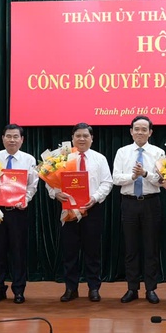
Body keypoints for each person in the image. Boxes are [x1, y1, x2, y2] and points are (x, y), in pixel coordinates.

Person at [46, 123, 113, 302]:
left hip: (92, 209)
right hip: (68, 209)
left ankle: (94, 288)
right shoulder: (62, 158)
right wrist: (55, 193)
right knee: (69, 251)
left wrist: (95, 198)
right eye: (78, 136)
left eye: (85, 136)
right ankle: (71, 288)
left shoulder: (100, 158)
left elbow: (107, 182)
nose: (82, 139)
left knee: (93, 251)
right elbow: (49, 181)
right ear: (72, 138)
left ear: (92, 138)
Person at [112, 115, 166, 304]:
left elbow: (162, 181)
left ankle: (151, 289)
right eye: (136, 129)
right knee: (131, 247)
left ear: (150, 132)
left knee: (151, 247)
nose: (140, 132)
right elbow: (116, 178)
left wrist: (145, 173)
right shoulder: (122, 152)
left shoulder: (158, 153)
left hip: (151, 202)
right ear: (131, 131)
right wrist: (133, 177)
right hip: (129, 203)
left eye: (144, 129)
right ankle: (132, 288)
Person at [0, 124, 39, 304]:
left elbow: (32, 185)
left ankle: (19, 290)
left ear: (22, 140)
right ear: (3, 138)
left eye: (16, 137)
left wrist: (25, 200)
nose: (12, 140)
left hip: (18, 212)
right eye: (8, 136)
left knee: (18, 252)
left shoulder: (29, 159)